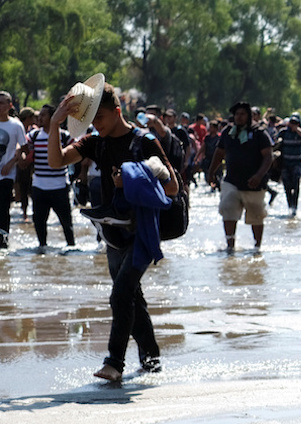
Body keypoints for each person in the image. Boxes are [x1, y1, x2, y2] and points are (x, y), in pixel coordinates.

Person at [47, 80, 180, 381]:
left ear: (118, 111)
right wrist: (55, 124)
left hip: (143, 231)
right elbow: (56, 162)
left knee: (120, 295)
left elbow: (172, 186)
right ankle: (152, 359)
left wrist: (133, 178)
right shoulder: (96, 142)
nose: (95, 125)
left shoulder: (144, 141)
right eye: (91, 121)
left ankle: (114, 363)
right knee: (132, 296)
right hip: (112, 233)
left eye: (100, 118)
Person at [207, 101, 273, 254]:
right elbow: (219, 154)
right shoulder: (228, 132)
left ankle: (257, 248)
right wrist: (211, 172)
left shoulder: (259, 133)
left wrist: (259, 175)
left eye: (243, 114)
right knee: (227, 209)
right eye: (237, 114)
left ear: (249, 116)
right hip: (232, 181)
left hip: (254, 184)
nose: (239, 117)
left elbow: (268, 157)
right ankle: (230, 246)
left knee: (256, 216)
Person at [26, 105, 77, 251]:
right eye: (39, 115)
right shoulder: (34, 136)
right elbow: (22, 148)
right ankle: (42, 248)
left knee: (66, 223)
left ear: (53, 117)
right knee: (39, 222)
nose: (39, 118)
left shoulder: (65, 136)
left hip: (59, 186)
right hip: (39, 186)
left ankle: (71, 248)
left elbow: (75, 153)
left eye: (43, 115)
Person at [0, 91, 28, 249]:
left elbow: (24, 148)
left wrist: (12, 162)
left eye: (2, 103)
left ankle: (3, 242)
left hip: (6, 175)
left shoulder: (16, 125)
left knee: (3, 208)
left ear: (10, 105)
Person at [276, 114, 301, 217]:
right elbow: (276, 142)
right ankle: (290, 206)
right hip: (285, 163)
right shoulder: (284, 132)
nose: (293, 125)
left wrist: (296, 129)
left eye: (295, 123)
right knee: (287, 187)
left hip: (297, 163)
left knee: (296, 185)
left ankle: (295, 207)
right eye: (292, 123)